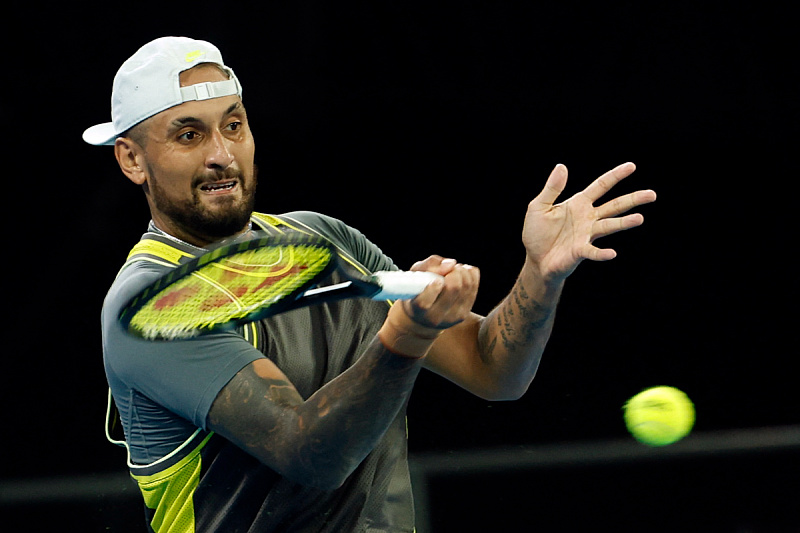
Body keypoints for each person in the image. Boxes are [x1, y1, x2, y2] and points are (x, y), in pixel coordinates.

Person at [87, 36, 656, 532]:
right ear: (132, 160)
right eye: (188, 135)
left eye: (233, 125)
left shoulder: (324, 240)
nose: (221, 154)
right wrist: (405, 337)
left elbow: (493, 371)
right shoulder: (147, 308)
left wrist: (541, 274)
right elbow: (308, 452)